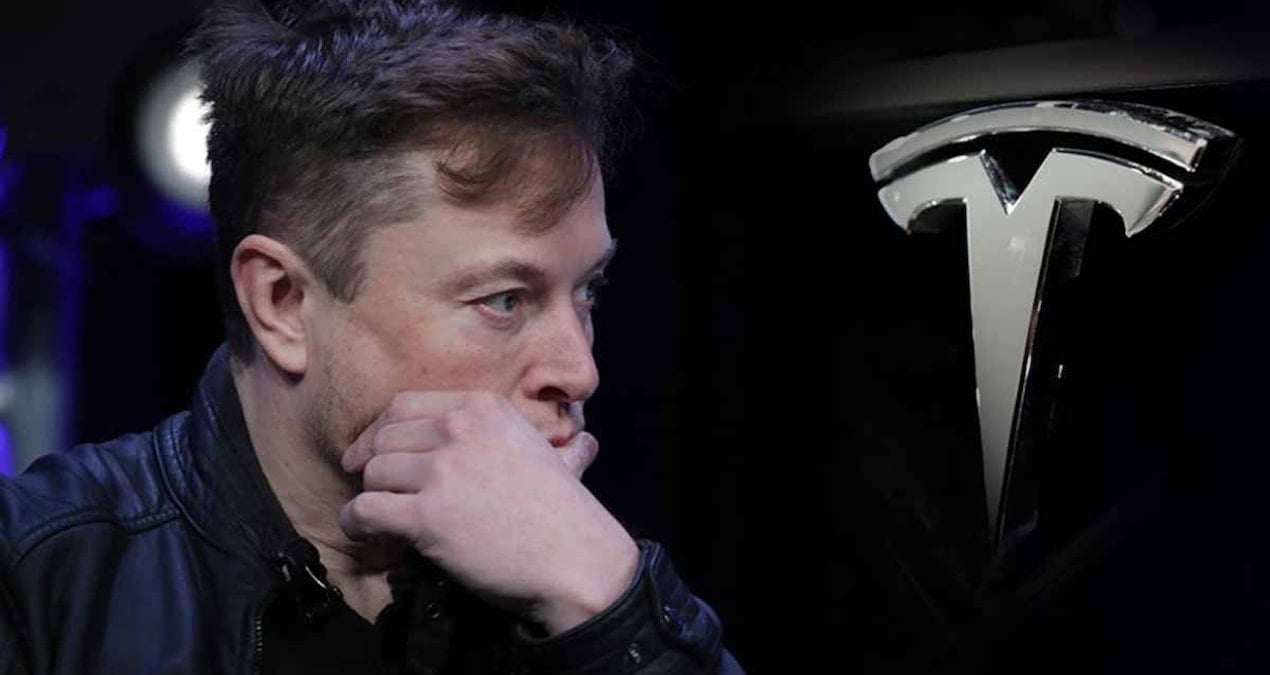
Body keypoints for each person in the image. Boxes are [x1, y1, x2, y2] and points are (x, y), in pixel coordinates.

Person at [0, 0, 743, 672]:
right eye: (504, 299)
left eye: (589, 290)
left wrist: (612, 611)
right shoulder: (37, 578)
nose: (579, 370)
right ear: (283, 302)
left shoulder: (586, 577)